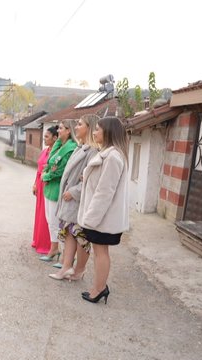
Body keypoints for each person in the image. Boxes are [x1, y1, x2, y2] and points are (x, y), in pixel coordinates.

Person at [78, 116, 130, 304]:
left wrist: (90, 218)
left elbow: (105, 191)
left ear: (108, 132)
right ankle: (98, 287)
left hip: (102, 217)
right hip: (100, 216)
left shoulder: (113, 156)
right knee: (99, 251)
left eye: (97, 129)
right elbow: (101, 184)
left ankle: (99, 289)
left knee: (101, 252)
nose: (94, 132)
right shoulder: (108, 153)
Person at [49, 115, 99, 281]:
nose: (76, 127)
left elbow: (91, 178)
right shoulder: (81, 147)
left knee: (80, 237)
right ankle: (66, 268)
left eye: (79, 124)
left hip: (80, 200)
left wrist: (75, 191)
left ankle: (79, 270)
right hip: (71, 199)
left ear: (89, 128)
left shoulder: (93, 151)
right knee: (69, 233)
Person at [39, 119, 78, 267]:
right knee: (51, 221)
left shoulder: (70, 148)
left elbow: (60, 170)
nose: (58, 130)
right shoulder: (60, 145)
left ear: (69, 131)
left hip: (57, 188)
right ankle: (53, 249)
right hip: (50, 188)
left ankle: (65, 255)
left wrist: (46, 176)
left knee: (58, 223)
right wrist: (48, 171)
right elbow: (50, 162)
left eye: (61, 128)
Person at [32, 125, 58, 254]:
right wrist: (35, 184)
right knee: (39, 213)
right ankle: (37, 240)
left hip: (48, 185)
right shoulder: (44, 151)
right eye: (44, 137)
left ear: (55, 138)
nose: (44, 139)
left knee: (47, 216)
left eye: (46, 137)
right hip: (40, 184)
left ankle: (47, 245)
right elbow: (38, 170)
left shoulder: (56, 153)